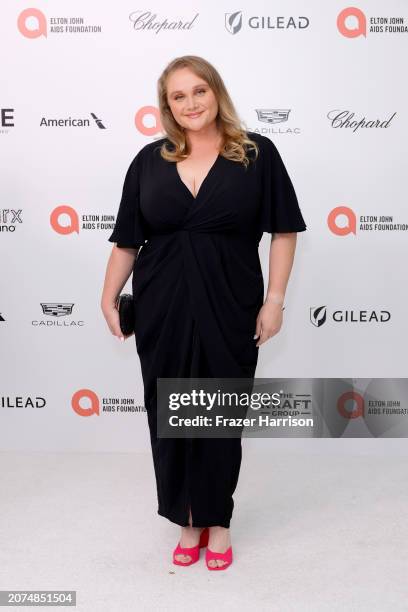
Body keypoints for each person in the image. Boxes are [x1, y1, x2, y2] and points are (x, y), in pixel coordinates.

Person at [101, 55, 307, 570]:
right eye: (178, 95)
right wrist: (108, 296)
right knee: (169, 413)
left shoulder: (257, 154)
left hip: (231, 299)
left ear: (216, 93)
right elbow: (128, 240)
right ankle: (186, 518)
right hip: (162, 303)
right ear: (166, 105)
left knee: (217, 413)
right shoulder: (149, 160)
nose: (190, 103)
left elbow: (284, 232)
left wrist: (275, 300)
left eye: (199, 91)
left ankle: (218, 519)